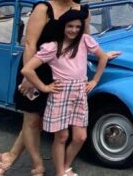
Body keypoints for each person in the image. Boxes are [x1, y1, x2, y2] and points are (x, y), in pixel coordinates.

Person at [0, 0, 120, 176]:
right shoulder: (44, 7)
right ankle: (37, 165)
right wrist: (28, 77)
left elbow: (84, 40)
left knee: (44, 121)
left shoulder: (82, 10)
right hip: (38, 67)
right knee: (32, 120)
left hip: (63, 71)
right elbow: (30, 42)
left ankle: (12, 155)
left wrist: (103, 54)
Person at [22, 13, 109, 176]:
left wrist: (95, 81)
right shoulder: (53, 47)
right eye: (70, 26)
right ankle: (60, 172)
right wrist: (44, 87)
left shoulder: (84, 40)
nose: (74, 30)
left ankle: (66, 166)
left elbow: (102, 57)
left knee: (80, 137)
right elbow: (27, 69)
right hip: (61, 93)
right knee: (62, 136)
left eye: (77, 26)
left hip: (80, 91)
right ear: (63, 27)